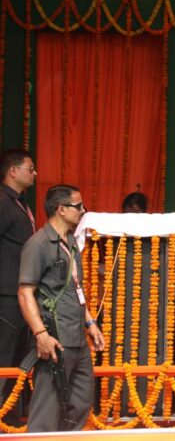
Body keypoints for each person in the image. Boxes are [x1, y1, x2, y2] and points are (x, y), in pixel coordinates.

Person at [17, 184, 104, 432]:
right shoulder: (38, 244)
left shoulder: (71, 241)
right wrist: (40, 334)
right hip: (54, 335)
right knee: (47, 406)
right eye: (78, 206)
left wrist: (90, 322)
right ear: (61, 209)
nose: (83, 210)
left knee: (81, 400)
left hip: (77, 335)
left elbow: (75, 288)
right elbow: (25, 293)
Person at [1, 149, 37, 373]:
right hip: (5, 294)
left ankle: (13, 396)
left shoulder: (19, 202)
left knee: (18, 354)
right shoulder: (3, 201)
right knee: (4, 353)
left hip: (19, 291)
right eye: (30, 169)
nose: (35, 173)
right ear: (13, 171)